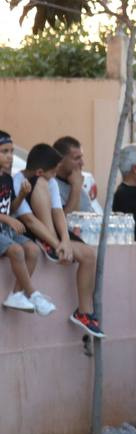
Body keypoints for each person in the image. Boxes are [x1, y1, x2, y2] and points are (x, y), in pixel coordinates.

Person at [16, 143, 102, 337]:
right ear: (40, 171)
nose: (55, 176)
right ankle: (48, 243)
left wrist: (64, 240)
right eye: (53, 172)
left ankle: (84, 312)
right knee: (40, 184)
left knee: (88, 255)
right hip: (32, 229)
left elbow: (58, 212)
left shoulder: (50, 181)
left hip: (52, 234)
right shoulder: (21, 181)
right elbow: (29, 220)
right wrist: (56, 244)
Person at [0, 131, 54, 316]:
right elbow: (7, 215)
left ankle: (16, 294)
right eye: (4, 151)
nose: (10, 156)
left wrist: (22, 195)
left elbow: (11, 208)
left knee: (32, 249)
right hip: (3, 227)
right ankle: (33, 294)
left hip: (5, 230)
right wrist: (6, 219)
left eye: (11, 151)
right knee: (16, 251)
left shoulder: (7, 178)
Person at [52, 136, 97, 213]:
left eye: (81, 157)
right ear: (60, 160)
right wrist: (75, 187)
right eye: (77, 158)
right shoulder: (52, 185)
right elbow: (68, 218)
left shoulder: (74, 180)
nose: (82, 163)